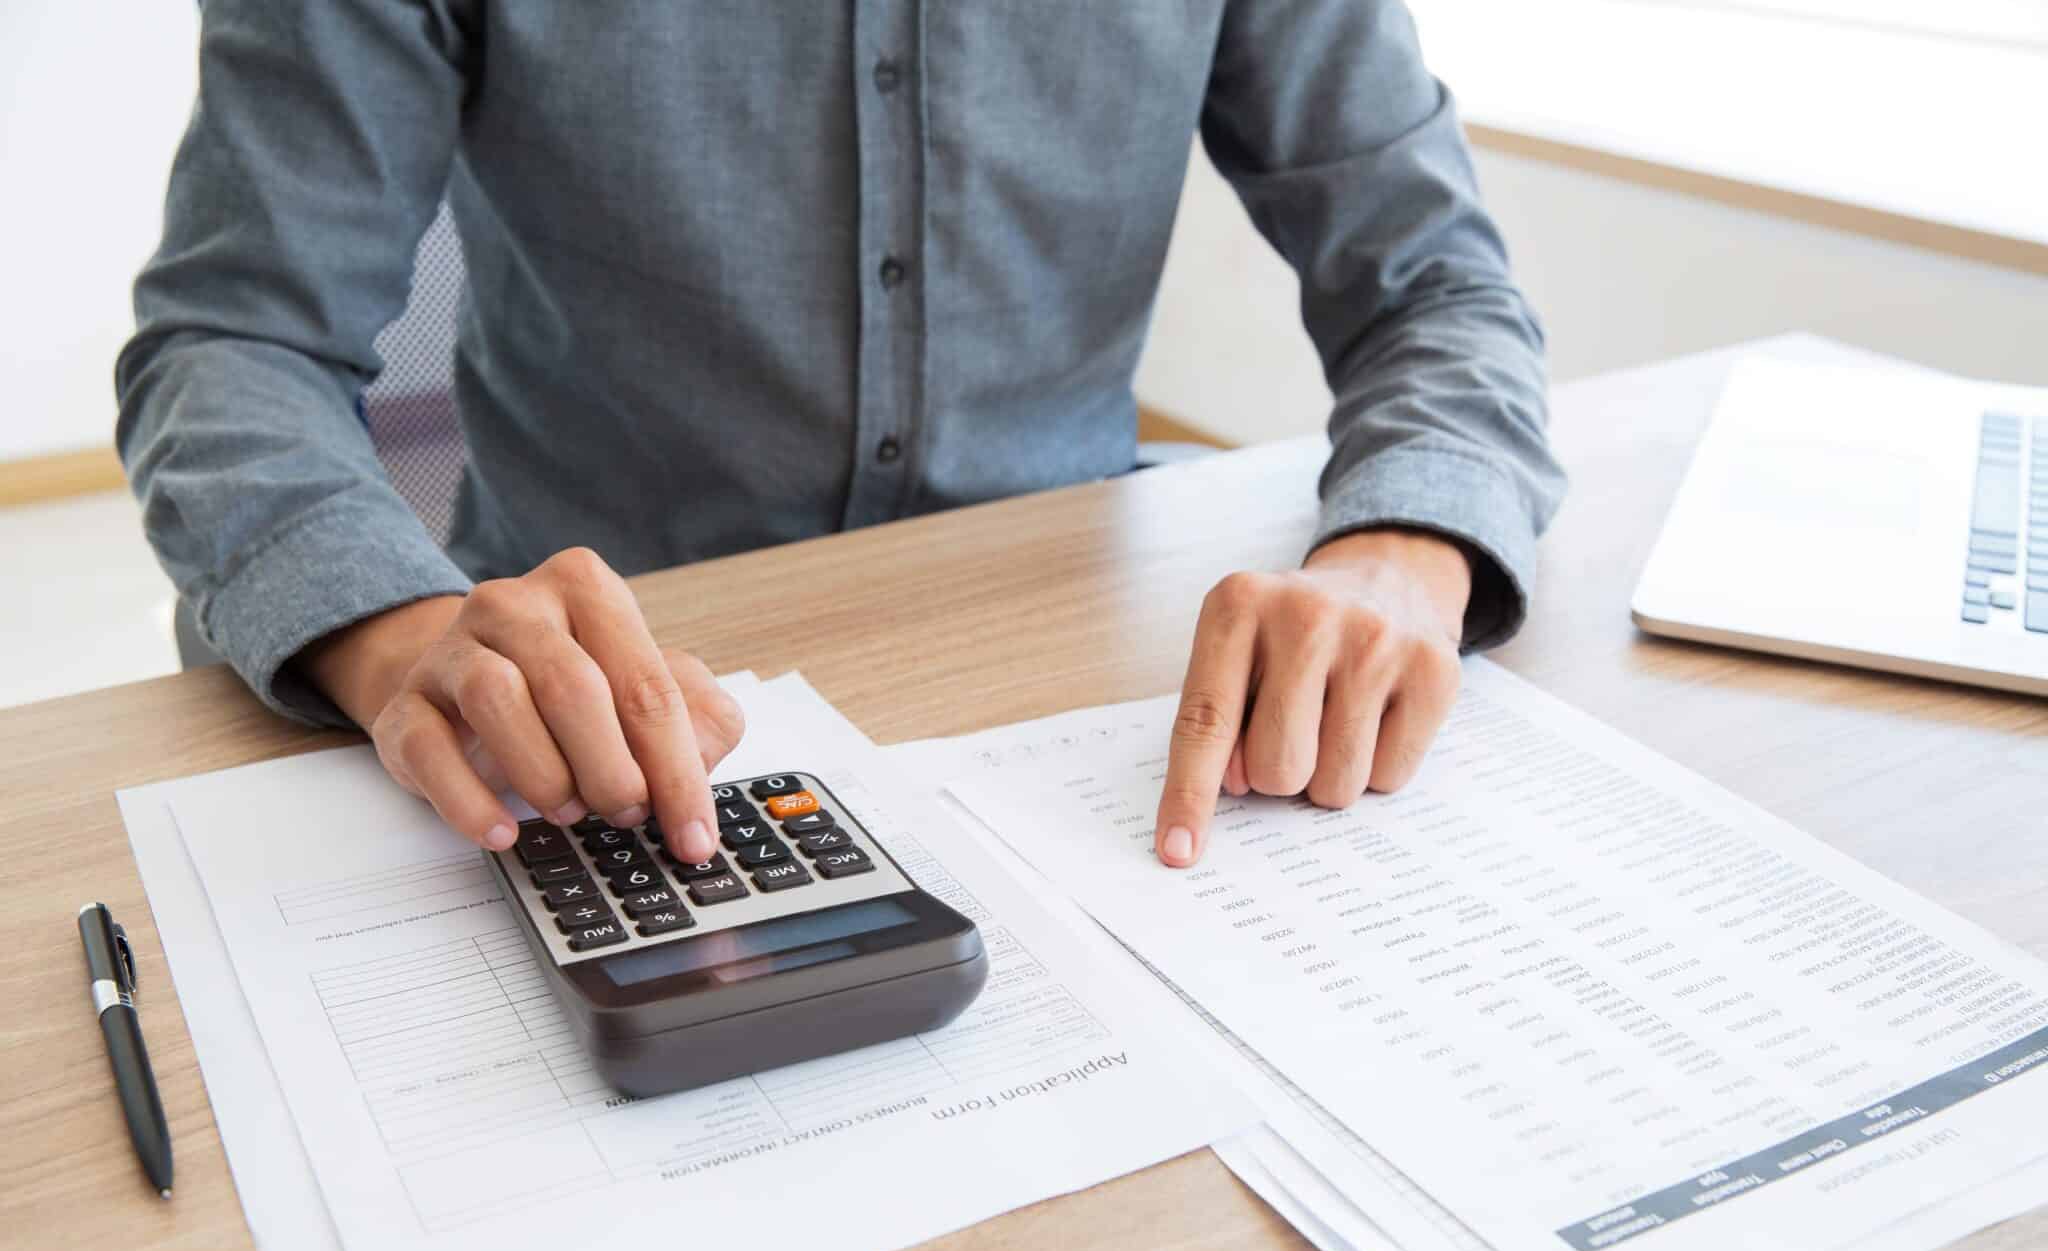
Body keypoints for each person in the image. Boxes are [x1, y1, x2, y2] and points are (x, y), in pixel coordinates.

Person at [117, 2, 1563, 873]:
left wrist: (1404, 549)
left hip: (1063, 713)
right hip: (582, 716)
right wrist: (394, 630)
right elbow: (234, 342)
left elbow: (1437, 282)